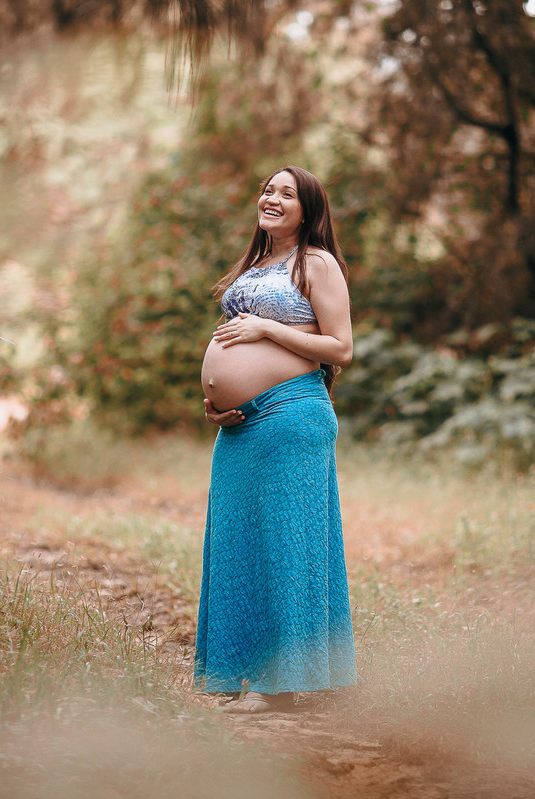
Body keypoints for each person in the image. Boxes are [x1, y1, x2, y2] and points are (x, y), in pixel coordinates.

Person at [194, 165, 357, 714]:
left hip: (292, 418)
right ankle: (243, 670)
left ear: (307, 212)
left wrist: (265, 330)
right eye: (267, 189)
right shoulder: (256, 264)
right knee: (237, 545)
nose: (272, 198)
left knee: (285, 545)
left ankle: (279, 686)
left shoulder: (317, 262)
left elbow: (341, 347)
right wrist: (217, 400)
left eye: (287, 194)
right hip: (243, 424)